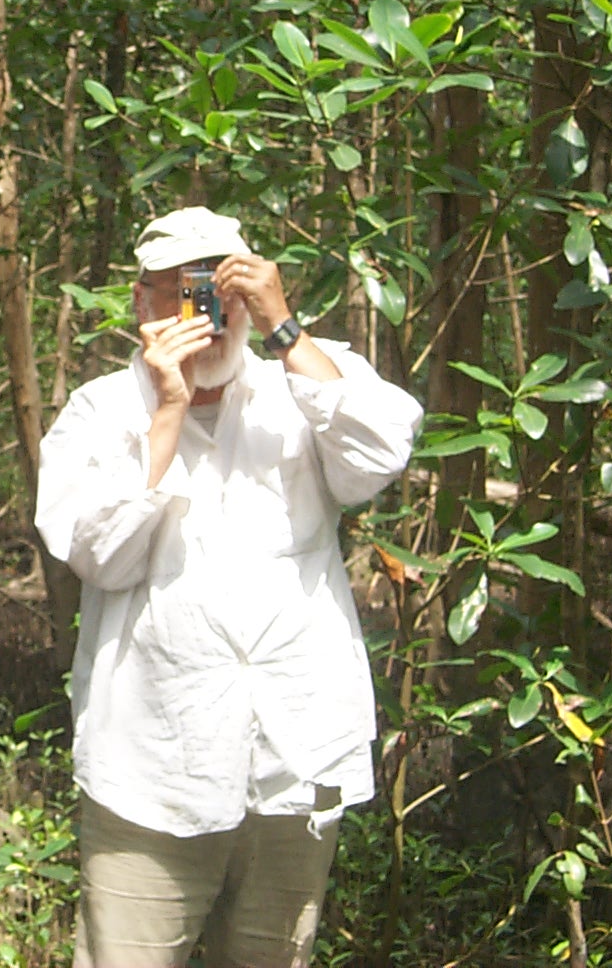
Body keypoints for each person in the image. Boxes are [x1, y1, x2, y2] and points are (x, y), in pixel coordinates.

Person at [35, 207, 423, 968]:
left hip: (295, 759)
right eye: (183, 294)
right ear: (143, 304)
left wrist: (285, 330)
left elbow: (379, 456)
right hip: (150, 772)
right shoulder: (99, 413)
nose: (207, 315)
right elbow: (101, 557)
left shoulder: (307, 379)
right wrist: (170, 410)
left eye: (223, 291)